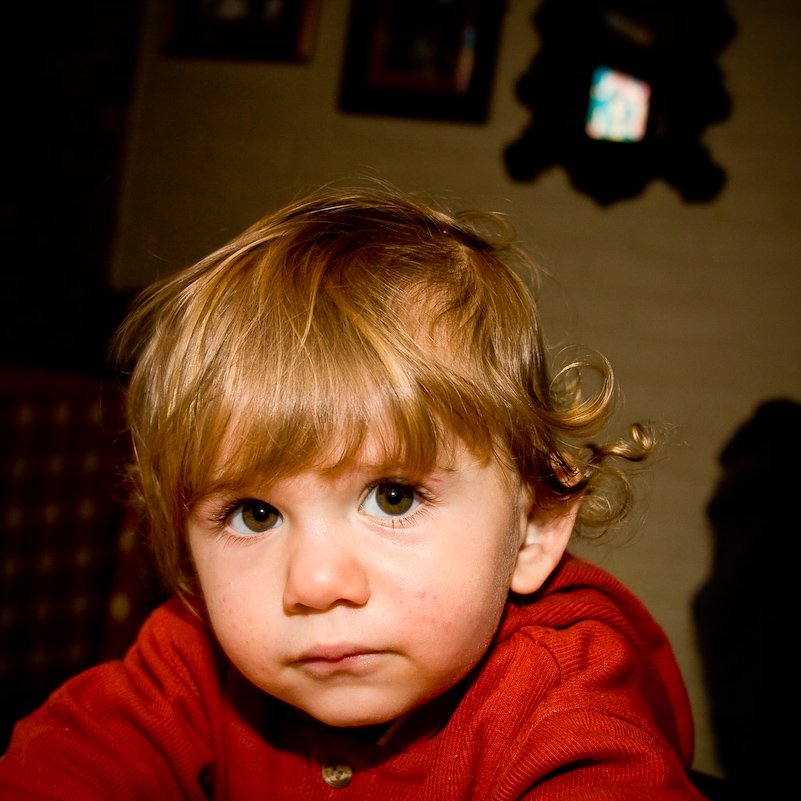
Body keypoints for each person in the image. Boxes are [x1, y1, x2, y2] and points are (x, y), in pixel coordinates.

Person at [0, 186, 705, 799]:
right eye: (255, 513)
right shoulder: (193, 659)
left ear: (535, 526)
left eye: (392, 497)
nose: (314, 581)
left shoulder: (565, 706)